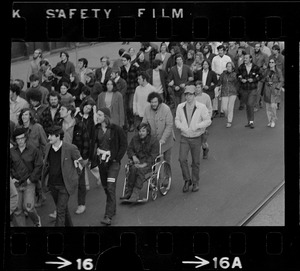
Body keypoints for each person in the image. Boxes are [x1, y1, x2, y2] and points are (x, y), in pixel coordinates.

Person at [89, 108, 127, 225]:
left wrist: (116, 158)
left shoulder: (116, 129)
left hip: (113, 164)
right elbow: (92, 143)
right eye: (97, 115)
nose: (97, 117)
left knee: (110, 187)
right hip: (101, 163)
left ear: (106, 116)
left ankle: (108, 216)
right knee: (106, 188)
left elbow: (123, 144)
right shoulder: (95, 129)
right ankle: (112, 208)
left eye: (100, 115)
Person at [42, 125, 84, 226]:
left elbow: (81, 163)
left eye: (51, 136)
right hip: (52, 185)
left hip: (64, 186)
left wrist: (74, 176)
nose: (48, 138)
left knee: (60, 212)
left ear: (58, 136)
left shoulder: (70, 148)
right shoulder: (47, 147)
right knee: (63, 209)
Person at [175, 85, 211, 192]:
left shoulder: (201, 107)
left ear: (194, 95)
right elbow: (177, 120)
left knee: (195, 162)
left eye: (190, 94)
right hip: (185, 137)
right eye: (186, 95)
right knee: (182, 159)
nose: (188, 97)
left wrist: (198, 126)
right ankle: (187, 180)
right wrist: (181, 127)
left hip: (196, 137)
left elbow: (208, 120)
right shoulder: (180, 107)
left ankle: (195, 182)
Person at [10, 127, 43, 227]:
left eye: (22, 138)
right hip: (16, 183)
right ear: (15, 140)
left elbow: (38, 166)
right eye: (17, 139)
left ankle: (37, 221)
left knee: (28, 207)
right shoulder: (12, 151)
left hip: (29, 182)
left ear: (25, 138)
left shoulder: (33, 150)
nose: (20, 141)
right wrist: (11, 178)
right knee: (17, 210)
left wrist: (31, 180)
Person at [121, 122, 159, 201]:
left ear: (147, 132)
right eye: (140, 131)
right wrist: (133, 156)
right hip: (137, 161)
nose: (141, 133)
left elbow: (153, 156)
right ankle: (129, 191)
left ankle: (135, 193)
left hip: (148, 163)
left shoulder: (154, 141)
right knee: (132, 169)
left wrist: (144, 164)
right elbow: (129, 149)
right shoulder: (135, 139)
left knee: (140, 171)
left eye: (143, 131)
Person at [72, 99, 95, 214]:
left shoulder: (90, 120)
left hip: (84, 148)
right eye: (87, 107)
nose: (87, 109)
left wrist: (87, 155)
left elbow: (91, 134)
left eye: (90, 109)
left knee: (90, 167)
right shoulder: (76, 115)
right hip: (75, 150)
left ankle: (82, 202)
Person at [142, 92, 175, 165]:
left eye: (155, 102)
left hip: (166, 140)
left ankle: (167, 175)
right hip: (154, 140)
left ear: (159, 101)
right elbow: (144, 123)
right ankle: (156, 175)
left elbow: (169, 125)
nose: (153, 104)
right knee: (155, 160)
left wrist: (163, 139)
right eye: (151, 102)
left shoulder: (166, 109)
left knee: (167, 160)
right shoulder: (147, 109)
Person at [237, 54, 262, 129]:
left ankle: (251, 122)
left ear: (250, 59)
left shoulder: (255, 67)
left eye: (246, 58)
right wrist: (241, 80)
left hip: (253, 89)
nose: (245, 59)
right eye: (244, 58)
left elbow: (260, 76)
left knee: (250, 104)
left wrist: (253, 80)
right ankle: (249, 121)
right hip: (244, 89)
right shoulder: (241, 67)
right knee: (248, 105)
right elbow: (238, 75)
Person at [215, 62, 239, 128]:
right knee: (224, 108)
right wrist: (218, 86)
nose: (229, 67)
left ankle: (229, 121)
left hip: (233, 92)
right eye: (227, 66)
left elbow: (237, 83)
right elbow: (220, 82)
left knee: (230, 107)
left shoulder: (235, 74)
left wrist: (237, 90)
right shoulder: (223, 74)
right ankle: (227, 116)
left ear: (232, 67)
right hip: (224, 92)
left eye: (230, 66)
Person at [211, 45, 232, 118]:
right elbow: (212, 69)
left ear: (224, 51)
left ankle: (223, 110)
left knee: (224, 93)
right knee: (215, 93)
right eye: (219, 50)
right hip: (216, 77)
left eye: (221, 50)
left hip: (225, 76)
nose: (220, 52)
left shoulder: (228, 58)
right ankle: (215, 109)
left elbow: (230, 68)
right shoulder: (214, 59)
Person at [120, 53, 139, 132]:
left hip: (132, 90)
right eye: (122, 60)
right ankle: (126, 123)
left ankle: (131, 123)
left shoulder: (135, 68)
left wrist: (137, 88)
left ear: (129, 61)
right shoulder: (121, 69)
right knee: (124, 108)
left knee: (130, 107)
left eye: (124, 60)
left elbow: (138, 78)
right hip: (124, 91)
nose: (123, 62)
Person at [262, 59, 284, 128]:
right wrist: (267, 81)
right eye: (270, 62)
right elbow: (262, 79)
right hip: (267, 90)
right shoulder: (266, 71)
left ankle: (273, 120)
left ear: (275, 64)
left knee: (273, 106)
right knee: (268, 107)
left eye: (272, 62)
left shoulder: (278, 71)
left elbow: (281, 80)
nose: (271, 64)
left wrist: (277, 87)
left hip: (275, 91)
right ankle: (270, 121)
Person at [194, 81, 212, 159]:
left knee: (202, 142)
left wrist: (208, 118)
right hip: (194, 122)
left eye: (198, 87)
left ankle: (205, 148)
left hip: (203, 121)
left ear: (202, 88)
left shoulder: (206, 97)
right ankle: (195, 160)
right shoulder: (192, 97)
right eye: (196, 87)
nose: (197, 89)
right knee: (195, 141)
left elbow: (209, 108)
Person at [252, 43, 269, 111]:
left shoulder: (265, 55)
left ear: (261, 48)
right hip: (253, 75)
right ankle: (259, 100)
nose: (256, 48)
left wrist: (262, 69)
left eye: (258, 47)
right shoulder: (252, 55)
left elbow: (266, 65)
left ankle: (256, 106)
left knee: (258, 90)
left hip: (260, 75)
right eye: (255, 47)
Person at [269, 44, 285, 109]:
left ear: (278, 50)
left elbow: (284, 68)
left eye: (274, 49)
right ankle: (273, 102)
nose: (273, 51)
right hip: (272, 76)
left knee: (278, 90)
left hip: (279, 76)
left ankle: (277, 103)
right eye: (272, 49)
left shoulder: (282, 57)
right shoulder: (270, 57)